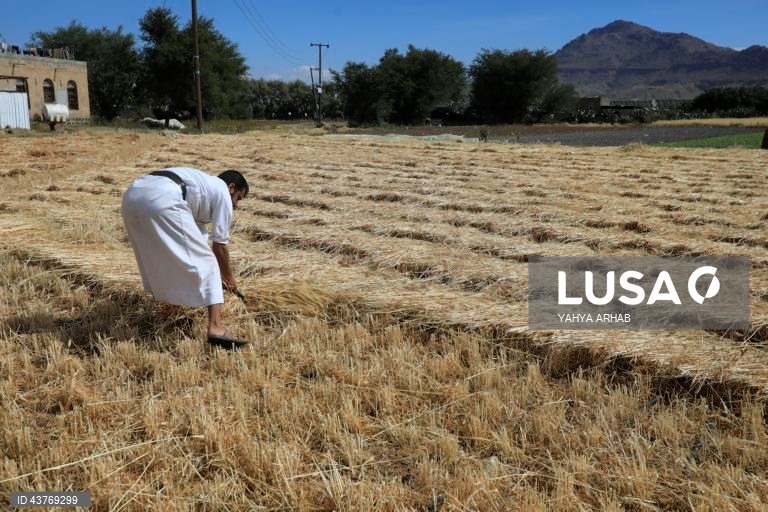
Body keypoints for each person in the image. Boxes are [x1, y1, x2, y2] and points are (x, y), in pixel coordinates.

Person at [121, 167, 249, 349]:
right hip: (163, 197)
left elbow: (199, 241)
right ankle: (216, 328)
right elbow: (219, 246)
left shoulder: (201, 191)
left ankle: (171, 310)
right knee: (209, 262)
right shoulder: (221, 191)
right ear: (231, 187)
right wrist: (229, 281)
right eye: (238, 198)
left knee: (165, 258)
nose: (236, 205)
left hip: (132, 196)